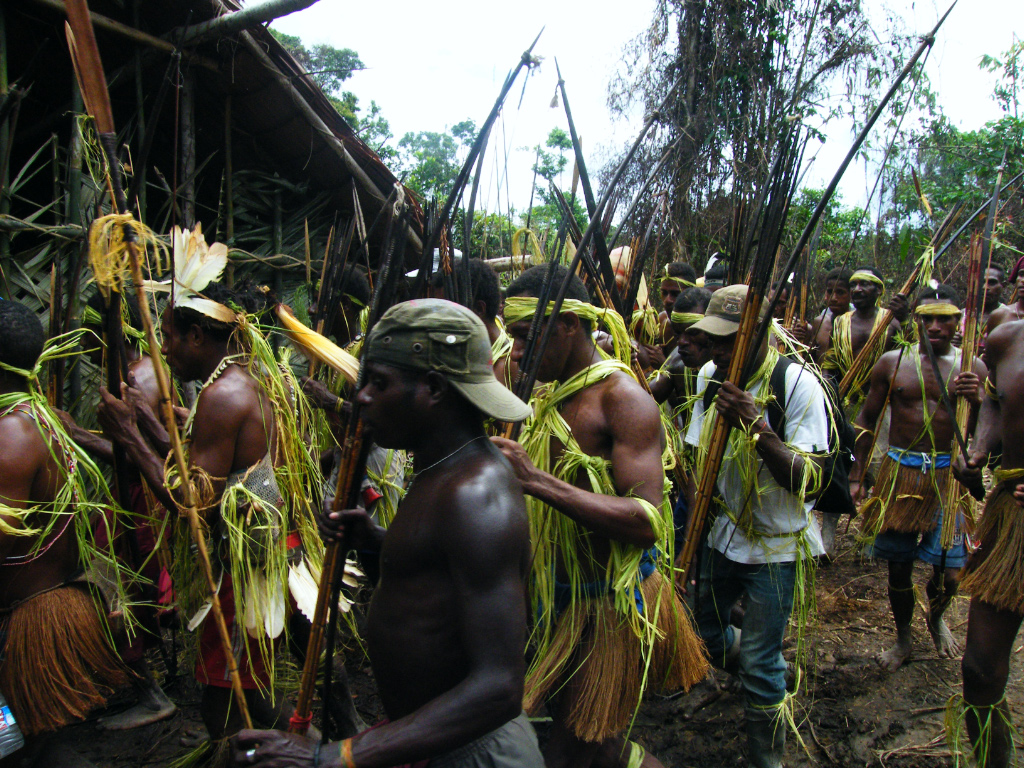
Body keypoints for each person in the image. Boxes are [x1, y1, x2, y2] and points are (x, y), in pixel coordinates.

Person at [232, 299, 545, 768]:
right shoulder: (441, 472)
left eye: (379, 382)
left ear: (434, 389)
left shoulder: (475, 496)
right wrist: (375, 542)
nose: (360, 397)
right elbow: (437, 584)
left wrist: (336, 757)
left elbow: (498, 688)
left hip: (473, 753)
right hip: (431, 740)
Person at [97, 228, 327, 744]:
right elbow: (208, 467)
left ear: (197, 336)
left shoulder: (224, 394)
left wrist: (130, 439)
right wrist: (154, 428)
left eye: (170, 336)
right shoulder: (255, 376)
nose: (165, 348)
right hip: (272, 556)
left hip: (248, 574)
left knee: (232, 709)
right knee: (232, 699)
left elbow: (193, 505)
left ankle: (313, 755)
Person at [495, 265, 707, 768]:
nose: (517, 352)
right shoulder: (546, 390)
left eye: (526, 337)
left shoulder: (622, 398)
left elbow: (645, 520)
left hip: (608, 605)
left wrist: (535, 480)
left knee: (578, 749)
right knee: (593, 744)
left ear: (568, 324)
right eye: (512, 337)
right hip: (556, 599)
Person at [685, 285, 830, 768]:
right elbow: (696, 455)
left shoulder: (799, 385)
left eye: (730, 342)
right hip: (723, 536)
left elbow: (809, 481)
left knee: (761, 664)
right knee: (703, 634)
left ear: (762, 336)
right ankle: (757, 663)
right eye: (714, 341)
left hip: (777, 548)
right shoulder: (710, 376)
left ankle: (767, 757)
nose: (719, 353)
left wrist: (757, 424)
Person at [0, 299, 132, 762]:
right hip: (47, 604)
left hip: (31, 618)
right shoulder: (41, 417)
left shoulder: (12, 434)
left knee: (35, 751)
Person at [851, 285, 985, 672]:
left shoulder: (971, 368)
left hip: (948, 477)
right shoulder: (892, 363)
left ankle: (937, 616)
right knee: (898, 566)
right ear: (917, 322)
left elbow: (984, 429)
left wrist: (975, 400)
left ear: (958, 323)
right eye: (929, 318)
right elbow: (866, 419)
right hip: (900, 475)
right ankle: (904, 637)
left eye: (946, 319)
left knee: (951, 573)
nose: (937, 326)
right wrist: (857, 475)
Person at [61, 290, 177, 731]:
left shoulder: (134, 378)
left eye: (87, 335)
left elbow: (138, 454)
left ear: (102, 331)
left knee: (120, 595)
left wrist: (75, 433)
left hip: (143, 504)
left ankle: (151, 694)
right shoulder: (152, 368)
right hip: (146, 501)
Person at [952, 309, 1024, 768]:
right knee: (978, 670)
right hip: (1011, 517)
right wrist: (981, 445)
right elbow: (996, 402)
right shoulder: (1007, 337)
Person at [819, 266, 909, 555]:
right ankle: (827, 536)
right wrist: (830, 389)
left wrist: (906, 319)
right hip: (845, 404)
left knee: (876, 468)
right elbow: (833, 358)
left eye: (865, 285)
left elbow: (909, 357)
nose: (857, 290)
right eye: (854, 285)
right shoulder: (841, 321)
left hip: (881, 408)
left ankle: (870, 537)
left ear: (880, 291)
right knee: (840, 463)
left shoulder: (891, 322)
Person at [429, 258, 515, 388]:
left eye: (447, 312)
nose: (440, 320)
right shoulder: (458, 354)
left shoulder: (509, 367)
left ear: (479, 309)